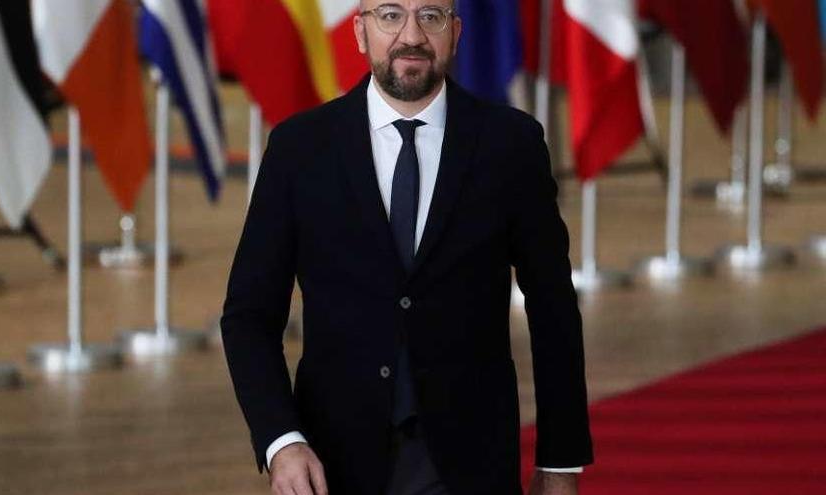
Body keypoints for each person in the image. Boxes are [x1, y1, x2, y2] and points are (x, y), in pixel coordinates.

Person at [220, 1, 593, 494]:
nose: (411, 35)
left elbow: (553, 310)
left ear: (456, 32)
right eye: (390, 15)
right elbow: (248, 315)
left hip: (470, 466)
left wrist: (560, 462)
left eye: (431, 17)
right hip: (333, 467)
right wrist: (282, 440)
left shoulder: (512, 145)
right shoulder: (299, 149)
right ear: (360, 31)